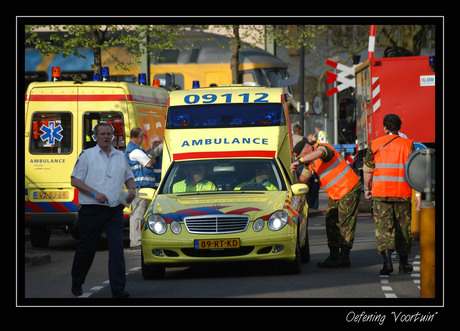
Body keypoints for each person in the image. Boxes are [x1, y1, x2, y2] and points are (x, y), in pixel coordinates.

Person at [70, 122, 136, 298]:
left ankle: (118, 288)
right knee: (87, 249)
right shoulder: (87, 155)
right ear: (96, 137)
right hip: (92, 209)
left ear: (113, 136)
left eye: (109, 134)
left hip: (114, 208)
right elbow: (75, 180)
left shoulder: (119, 155)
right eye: (102, 134)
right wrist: (95, 193)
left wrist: (131, 190)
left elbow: (129, 177)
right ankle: (77, 280)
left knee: (116, 249)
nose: (106, 137)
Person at [363, 113, 421, 275]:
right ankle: (404, 264)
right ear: (399, 127)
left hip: (381, 193)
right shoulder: (408, 145)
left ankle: (387, 263)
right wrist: (417, 196)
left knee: (383, 228)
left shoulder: (375, 144)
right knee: (403, 228)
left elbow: (368, 170)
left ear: (385, 127)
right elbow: (415, 171)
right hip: (402, 193)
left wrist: (367, 189)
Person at [291, 139, 360, 268]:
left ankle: (344, 257)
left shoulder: (322, 148)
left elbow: (320, 153)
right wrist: (291, 187)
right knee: (331, 222)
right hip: (335, 193)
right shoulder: (309, 162)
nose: (302, 159)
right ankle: (333, 256)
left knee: (345, 223)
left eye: (302, 156)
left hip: (349, 187)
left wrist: (300, 161)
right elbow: (304, 178)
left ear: (306, 151)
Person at [125, 128, 156, 250]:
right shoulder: (135, 151)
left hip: (141, 187)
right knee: (137, 215)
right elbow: (149, 163)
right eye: (142, 136)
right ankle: (136, 242)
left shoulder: (134, 150)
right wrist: (153, 156)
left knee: (140, 215)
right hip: (139, 188)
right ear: (139, 136)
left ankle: (138, 240)